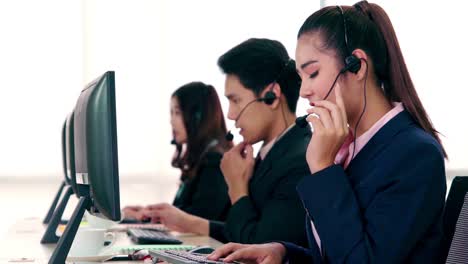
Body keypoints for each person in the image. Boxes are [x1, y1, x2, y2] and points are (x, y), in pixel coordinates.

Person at [208, 1, 447, 263]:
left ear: (357, 66)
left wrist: (322, 168)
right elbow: (337, 250)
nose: (303, 91)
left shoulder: (413, 154)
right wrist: (284, 253)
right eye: (301, 77)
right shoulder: (348, 147)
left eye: (313, 73)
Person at [142, 38, 310, 247]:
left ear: (272, 96)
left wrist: (237, 188)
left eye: (236, 100)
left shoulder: (301, 161)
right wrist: (185, 221)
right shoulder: (272, 153)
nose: (230, 115)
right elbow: (238, 231)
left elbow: (259, 245)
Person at [123, 82, 232, 222]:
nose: (171, 121)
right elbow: (183, 212)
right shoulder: (200, 159)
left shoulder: (215, 161)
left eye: (177, 113)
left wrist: (148, 217)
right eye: (171, 113)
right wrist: (148, 213)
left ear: (198, 117)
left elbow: (199, 219)